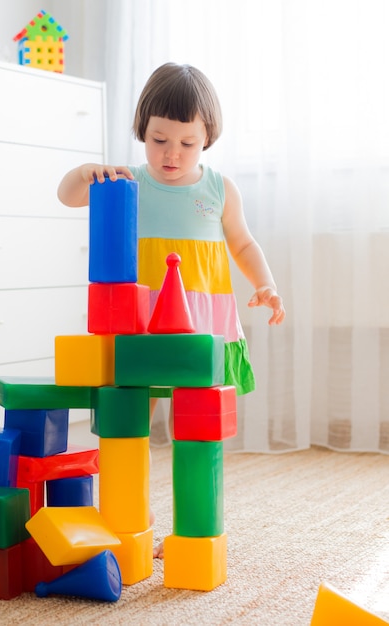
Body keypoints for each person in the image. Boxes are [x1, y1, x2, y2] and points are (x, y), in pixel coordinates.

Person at [58, 62, 285, 557]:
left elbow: (243, 244)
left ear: (207, 140)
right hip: (142, 324)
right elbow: (69, 196)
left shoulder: (219, 189)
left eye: (187, 143)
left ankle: (191, 524)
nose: (171, 154)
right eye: (159, 140)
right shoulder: (126, 180)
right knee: (131, 420)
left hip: (197, 327)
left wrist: (265, 284)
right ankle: (133, 510)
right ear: (143, 131)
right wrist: (84, 173)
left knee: (195, 427)